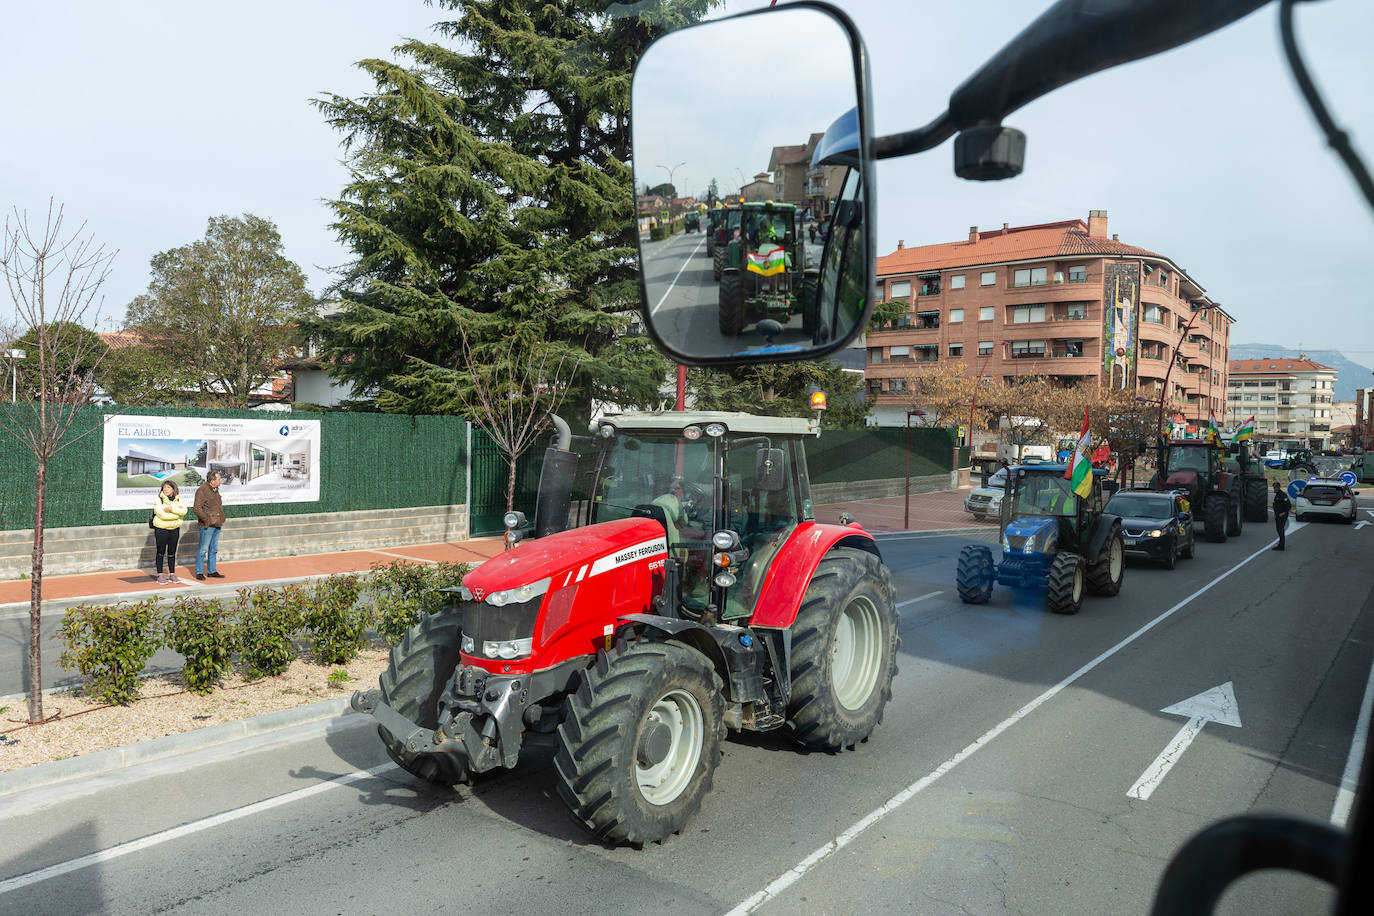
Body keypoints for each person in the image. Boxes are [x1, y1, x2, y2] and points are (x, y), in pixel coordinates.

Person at [151, 480, 188, 584]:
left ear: (173, 489)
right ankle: (160, 575)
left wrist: (171, 509)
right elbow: (161, 514)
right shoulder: (159, 500)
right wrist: (176, 513)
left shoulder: (179, 499)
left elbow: (184, 511)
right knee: (160, 552)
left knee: (172, 552)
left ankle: (172, 574)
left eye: (168, 487)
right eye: (164, 487)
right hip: (161, 529)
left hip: (175, 529)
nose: (166, 489)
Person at [193, 470, 227, 580]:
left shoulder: (215, 490)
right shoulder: (202, 490)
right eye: (218, 479)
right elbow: (197, 508)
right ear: (212, 481)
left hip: (217, 523)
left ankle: (212, 571)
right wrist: (207, 520)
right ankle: (199, 572)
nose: (220, 480)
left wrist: (221, 518)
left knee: (214, 549)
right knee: (203, 549)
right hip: (207, 525)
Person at [1271, 481, 1291, 551]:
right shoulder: (1277, 495)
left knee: (1280, 530)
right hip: (1278, 516)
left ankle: (1281, 546)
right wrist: (1275, 515)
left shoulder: (1283, 495)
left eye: (1276, 487)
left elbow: (1288, 505)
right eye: (1274, 487)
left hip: (1282, 515)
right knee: (1279, 530)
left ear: (1279, 487)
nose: (1275, 489)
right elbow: (1276, 506)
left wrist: (1283, 513)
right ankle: (1280, 544)